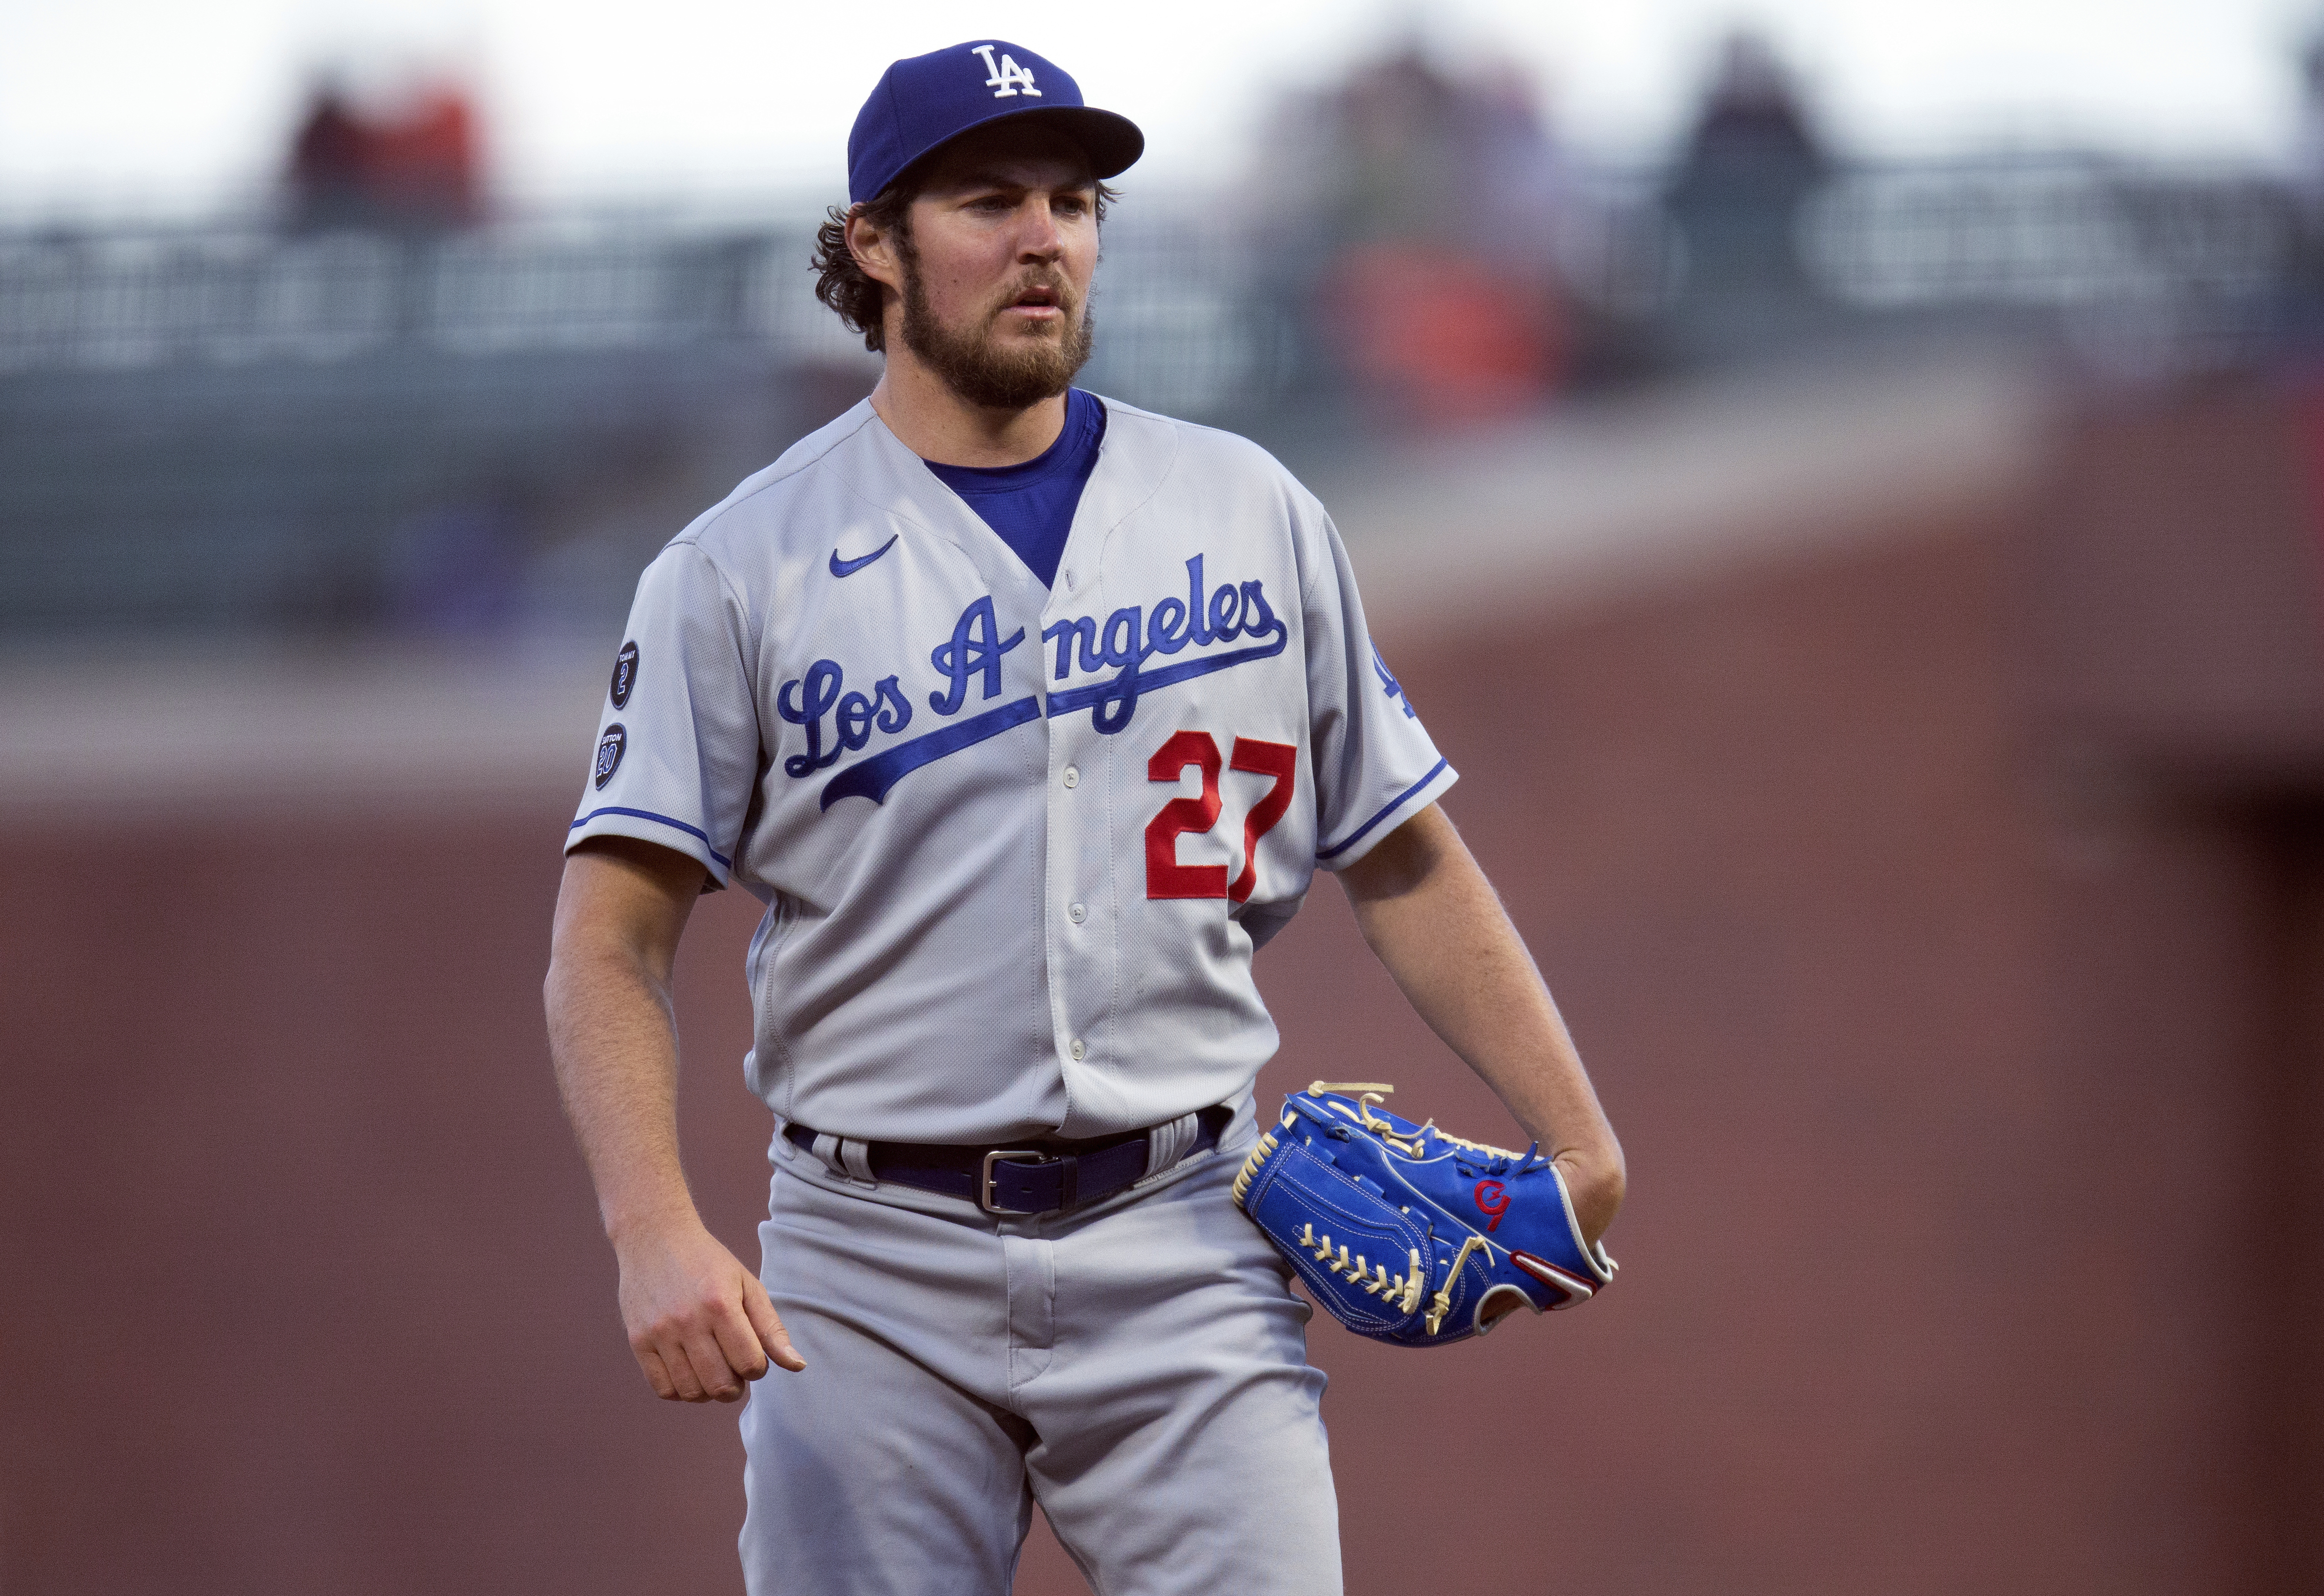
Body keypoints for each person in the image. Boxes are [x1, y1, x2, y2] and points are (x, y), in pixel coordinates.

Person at [543, 39, 1624, 1596]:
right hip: (868, 1260)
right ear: (872, 244)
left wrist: (1581, 1138)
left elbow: (1403, 851)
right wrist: (652, 1227)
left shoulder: (1248, 509)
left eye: (1075, 199)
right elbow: (606, 941)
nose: (1045, 234)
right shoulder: (739, 566)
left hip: (1187, 1236)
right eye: (989, 199)